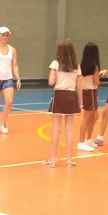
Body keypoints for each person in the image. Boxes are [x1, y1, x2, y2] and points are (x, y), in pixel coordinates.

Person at [44, 40, 84, 168]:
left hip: (59, 96)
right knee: (70, 129)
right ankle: (69, 160)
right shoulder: (76, 66)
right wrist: (81, 104)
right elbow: (79, 87)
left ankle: (53, 159)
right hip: (71, 97)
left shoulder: (55, 63)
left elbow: (51, 82)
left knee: (56, 128)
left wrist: (56, 76)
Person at [76, 42, 100, 152]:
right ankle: (81, 142)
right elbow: (96, 82)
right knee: (86, 118)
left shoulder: (80, 65)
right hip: (90, 91)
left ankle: (88, 139)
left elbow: (79, 81)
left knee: (95, 115)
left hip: (85, 92)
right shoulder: (94, 66)